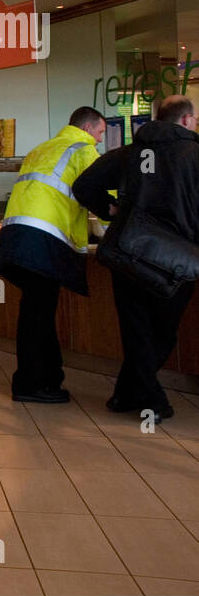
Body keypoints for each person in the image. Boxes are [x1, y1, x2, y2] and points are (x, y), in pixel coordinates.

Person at [72, 95, 199, 421]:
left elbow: (84, 184)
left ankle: (125, 394)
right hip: (176, 258)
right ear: (186, 121)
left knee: (136, 329)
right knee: (162, 332)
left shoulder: (132, 152)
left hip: (129, 252)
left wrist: (112, 210)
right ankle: (153, 401)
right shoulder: (194, 155)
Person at [0, 106, 106, 404]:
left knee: (35, 312)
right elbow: (99, 197)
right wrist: (114, 227)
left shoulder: (41, 149)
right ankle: (32, 384)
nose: (100, 140)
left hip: (16, 237)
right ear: (87, 128)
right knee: (38, 314)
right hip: (43, 240)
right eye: (100, 133)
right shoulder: (83, 150)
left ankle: (43, 379)